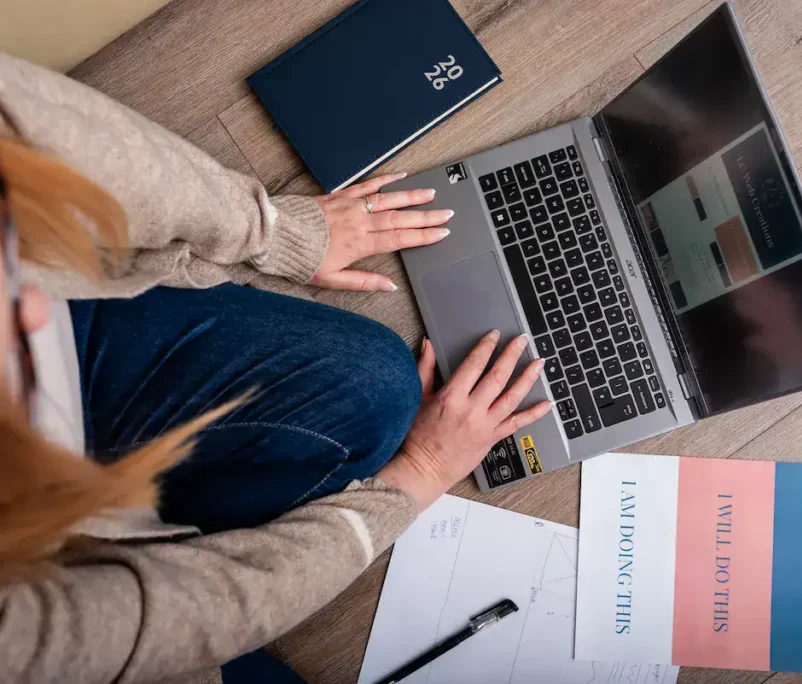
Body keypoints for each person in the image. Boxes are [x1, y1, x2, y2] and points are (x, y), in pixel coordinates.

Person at [0, 53, 551, 683]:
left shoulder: (38, 295)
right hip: (80, 604)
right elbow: (189, 614)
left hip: (73, 433)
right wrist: (416, 480)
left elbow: (43, 133)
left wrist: (270, 231)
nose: (35, 304)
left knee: (374, 383)